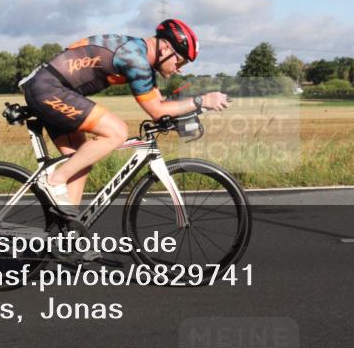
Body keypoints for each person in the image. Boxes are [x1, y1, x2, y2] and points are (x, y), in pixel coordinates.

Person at [18, 18, 229, 216]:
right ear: (165, 48)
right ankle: (53, 181)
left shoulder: (140, 55)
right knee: (117, 132)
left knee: (80, 161)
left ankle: (67, 237)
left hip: (49, 89)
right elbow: (156, 111)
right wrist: (203, 100)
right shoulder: (135, 59)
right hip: (49, 89)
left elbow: (162, 107)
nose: (178, 69)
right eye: (180, 62)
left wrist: (189, 113)